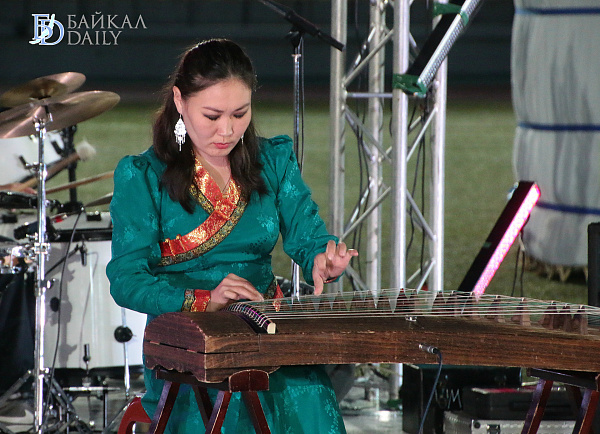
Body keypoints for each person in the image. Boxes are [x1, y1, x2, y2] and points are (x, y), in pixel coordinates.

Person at [106, 38, 357, 433]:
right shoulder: (143, 176)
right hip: (189, 350)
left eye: (240, 114)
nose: (227, 130)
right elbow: (126, 280)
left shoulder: (272, 160)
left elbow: (307, 233)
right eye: (212, 115)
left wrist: (321, 258)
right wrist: (205, 300)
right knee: (229, 410)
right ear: (179, 101)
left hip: (264, 334)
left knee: (308, 395)